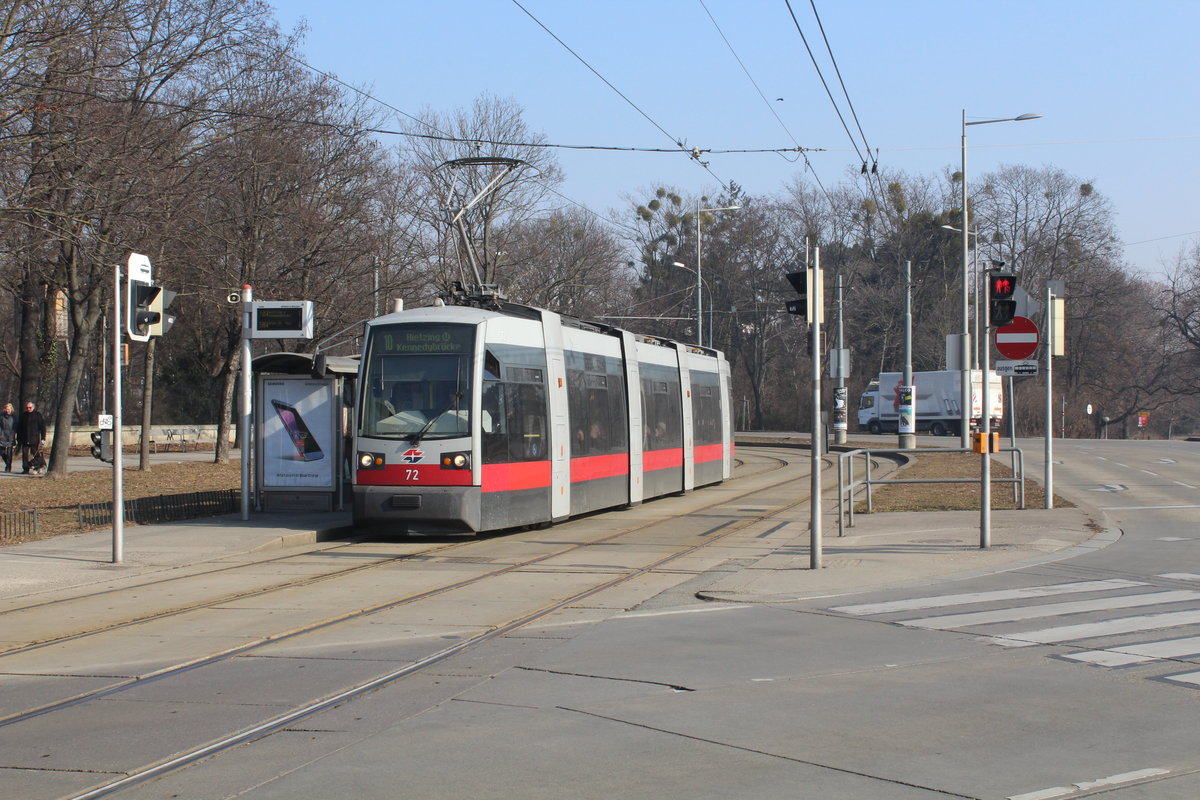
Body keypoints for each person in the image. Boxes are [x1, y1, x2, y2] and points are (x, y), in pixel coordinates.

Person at [17, 401, 46, 474]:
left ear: (33, 407)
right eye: (27, 408)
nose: (28, 409)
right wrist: (19, 438)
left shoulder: (37, 415)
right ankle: (25, 469)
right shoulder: (23, 415)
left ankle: (39, 466)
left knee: (35, 453)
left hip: (34, 439)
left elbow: (42, 427)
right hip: (25, 439)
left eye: (30, 407)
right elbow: (19, 428)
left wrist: (43, 438)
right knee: (25, 454)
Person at [0, 403, 15, 472]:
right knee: (2, 452)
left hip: (11, 436)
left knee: (9, 453)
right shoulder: (1, 416)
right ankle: (7, 462)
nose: (7, 410)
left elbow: (16, 426)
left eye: (9, 409)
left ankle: (8, 467)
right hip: (2, 436)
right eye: (6, 409)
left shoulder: (14, 417)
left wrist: (15, 434)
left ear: (11, 409)